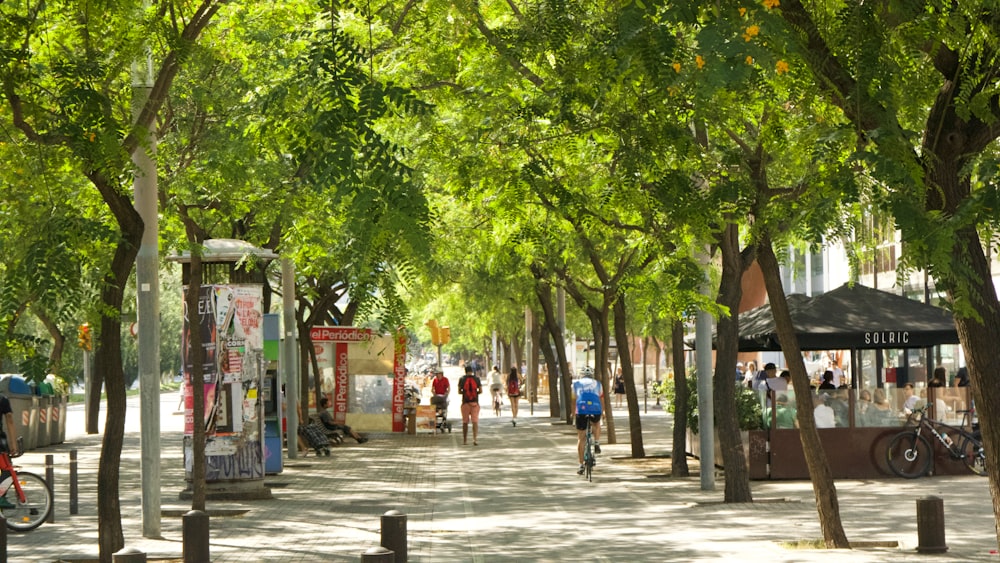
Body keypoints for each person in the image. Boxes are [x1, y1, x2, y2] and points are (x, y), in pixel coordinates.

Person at [572, 366, 603, 475]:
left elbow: (574, 400)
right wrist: (602, 412)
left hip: (581, 409)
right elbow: (601, 398)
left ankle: (581, 465)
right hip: (595, 408)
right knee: (597, 423)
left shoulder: (576, 384)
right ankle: (597, 442)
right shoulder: (598, 384)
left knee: (581, 438)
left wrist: (573, 414)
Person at [458, 365, 482, 445]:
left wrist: (465, 393)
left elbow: (459, 391)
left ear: (465, 371)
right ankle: (475, 439)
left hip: (465, 403)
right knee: (475, 422)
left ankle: (465, 440)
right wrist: (475, 393)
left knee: (465, 422)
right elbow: (481, 390)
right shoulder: (477, 379)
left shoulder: (462, 379)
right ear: (472, 371)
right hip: (475, 403)